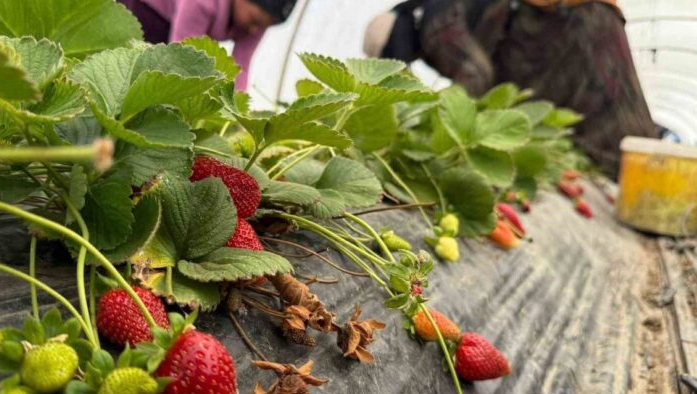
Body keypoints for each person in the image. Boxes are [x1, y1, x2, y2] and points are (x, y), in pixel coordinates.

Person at [364, 0, 658, 179]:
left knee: (599, 112)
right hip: (564, 26)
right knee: (579, 111)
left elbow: (476, 77)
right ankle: (641, 169)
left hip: (561, 29)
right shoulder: (432, 9)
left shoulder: (435, 24)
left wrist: (439, 128)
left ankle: (635, 169)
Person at [119, 0, 298, 90]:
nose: (254, 30)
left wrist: (237, 117)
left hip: (176, 28)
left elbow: (240, 67)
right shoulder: (202, 3)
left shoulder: (257, 23)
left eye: (263, 26)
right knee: (132, 69)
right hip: (148, 10)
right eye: (254, 19)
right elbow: (181, 55)